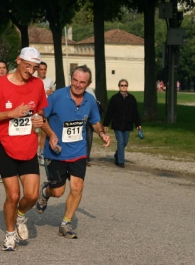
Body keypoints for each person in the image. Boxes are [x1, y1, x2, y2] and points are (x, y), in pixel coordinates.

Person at [0, 47, 47, 251]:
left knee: (33, 195)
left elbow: (40, 109)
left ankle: (20, 216)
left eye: (35, 68)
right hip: (5, 145)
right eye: (27, 66)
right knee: (13, 195)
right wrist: (11, 113)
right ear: (18, 60)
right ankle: (10, 235)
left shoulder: (37, 85)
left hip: (27, 145)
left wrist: (39, 119)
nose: (31, 71)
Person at [36, 65, 110, 239]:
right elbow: (40, 117)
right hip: (56, 152)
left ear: (88, 83)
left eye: (82, 82)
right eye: (75, 80)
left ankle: (65, 223)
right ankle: (46, 191)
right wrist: (52, 135)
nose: (77, 84)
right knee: (58, 191)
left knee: (77, 187)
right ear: (71, 79)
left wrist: (101, 133)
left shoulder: (90, 100)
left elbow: (95, 120)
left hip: (78, 152)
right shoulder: (57, 97)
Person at [103, 79, 141, 168]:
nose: (123, 87)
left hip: (128, 124)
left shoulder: (132, 98)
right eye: (122, 85)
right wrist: (106, 124)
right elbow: (110, 112)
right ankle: (120, 161)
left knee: (125, 142)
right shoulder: (114, 98)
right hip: (117, 124)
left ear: (127, 86)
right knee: (120, 142)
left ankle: (117, 154)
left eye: (125, 85)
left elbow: (135, 112)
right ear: (119, 87)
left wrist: (138, 124)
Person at [36, 62, 54, 166]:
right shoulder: (33, 80)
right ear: (37, 70)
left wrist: (51, 93)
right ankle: (31, 153)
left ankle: (41, 154)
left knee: (44, 132)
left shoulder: (49, 81)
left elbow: (52, 93)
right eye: (41, 69)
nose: (43, 71)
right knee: (33, 132)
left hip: (46, 108)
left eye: (44, 69)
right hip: (35, 109)